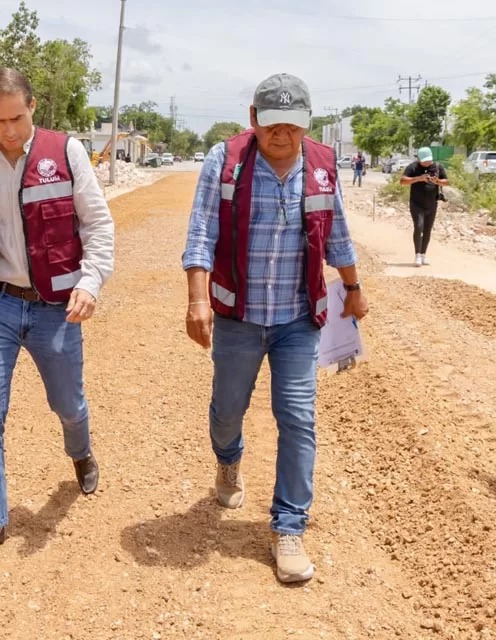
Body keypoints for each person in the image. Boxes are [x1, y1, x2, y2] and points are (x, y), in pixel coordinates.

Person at [182, 73, 369, 583]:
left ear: (307, 125)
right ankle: (229, 458)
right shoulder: (226, 162)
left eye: (293, 125)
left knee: (298, 418)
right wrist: (197, 299)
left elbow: (339, 237)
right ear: (252, 120)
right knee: (228, 411)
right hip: (237, 318)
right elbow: (201, 232)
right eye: (271, 124)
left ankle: (289, 526)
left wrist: (353, 287)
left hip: (296, 321)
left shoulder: (324, 167)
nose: (282, 134)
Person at [0, 68, 115, 568]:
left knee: (68, 404)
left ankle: (80, 450)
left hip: (56, 305)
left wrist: (89, 281)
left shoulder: (66, 153)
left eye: (17, 117)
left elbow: (98, 223)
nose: (8, 130)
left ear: (33, 106)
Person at [400, 147, 448, 266]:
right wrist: (419, 178)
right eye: (425, 161)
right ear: (419, 159)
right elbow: (402, 181)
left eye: (429, 160)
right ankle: (417, 255)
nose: (427, 163)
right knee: (418, 226)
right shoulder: (413, 167)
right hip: (416, 204)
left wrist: (437, 181)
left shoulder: (437, 167)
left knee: (427, 229)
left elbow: (446, 181)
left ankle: (423, 255)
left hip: (432, 204)